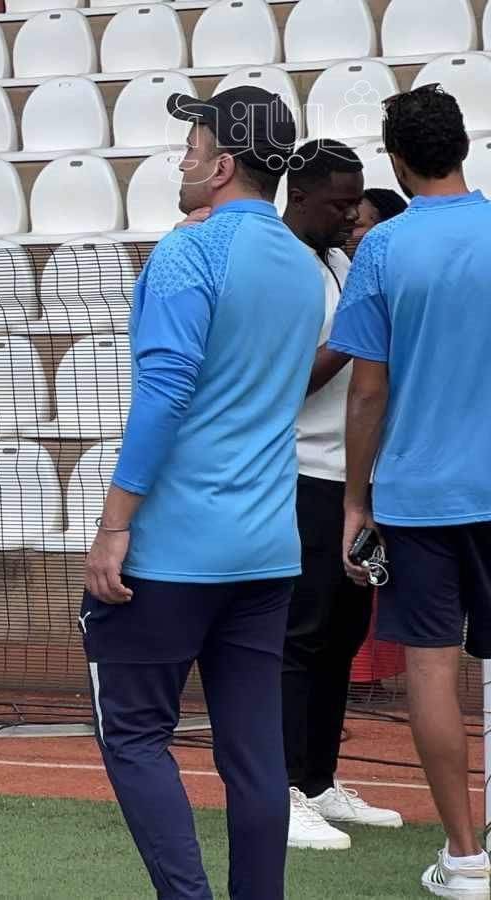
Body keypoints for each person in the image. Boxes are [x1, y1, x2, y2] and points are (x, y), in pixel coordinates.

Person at [80, 85, 324, 900]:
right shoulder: (301, 264)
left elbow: (165, 392)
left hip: (173, 549)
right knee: (255, 756)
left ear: (221, 166)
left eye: (192, 147)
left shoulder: (188, 251)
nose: (182, 160)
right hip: (266, 548)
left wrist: (115, 523)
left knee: (134, 735)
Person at [328, 83, 491, 899]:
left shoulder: (385, 247)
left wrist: (355, 500)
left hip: (418, 493)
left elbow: (367, 391)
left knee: (430, 671)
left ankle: (464, 858)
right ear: (462, 145)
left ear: (396, 160)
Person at [277, 140, 404, 850]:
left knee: (341, 636)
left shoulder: (341, 263)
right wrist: (357, 332)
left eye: (357, 202)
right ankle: (282, 788)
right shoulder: (282, 269)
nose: (353, 215)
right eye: (340, 203)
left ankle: (319, 780)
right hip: (300, 475)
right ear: (298, 197)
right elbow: (283, 382)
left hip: (355, 478)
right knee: (300, 635)